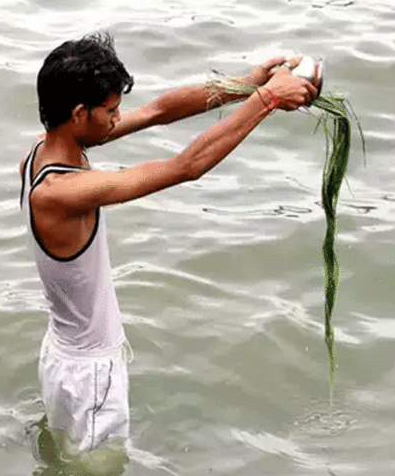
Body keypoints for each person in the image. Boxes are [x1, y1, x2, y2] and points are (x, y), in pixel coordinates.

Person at [20, 32, 317, 463]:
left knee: (68, 463)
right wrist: (267, 101)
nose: (118, 118)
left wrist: (246, 85)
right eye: (110, 110)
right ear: (79, 114)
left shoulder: (39, 155)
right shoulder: (61, 193)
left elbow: (159, 111)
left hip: (60, 358)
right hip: (91, 376)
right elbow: (186, 166)